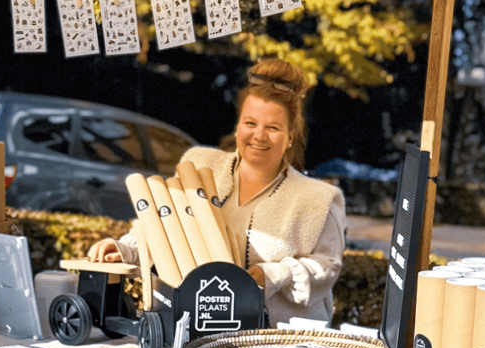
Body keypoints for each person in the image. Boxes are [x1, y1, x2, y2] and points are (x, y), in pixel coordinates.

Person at [87, 59, 346, 326]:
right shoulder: (200, 166)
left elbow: (326, 267)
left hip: (276, 340)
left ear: (290, 136)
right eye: (250, 123)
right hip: (196, 327)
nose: (259, 136)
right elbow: (167, 228)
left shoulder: (318, 198)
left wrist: (270, 274)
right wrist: (126, 249)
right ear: (237, 128)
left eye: (273, 128)